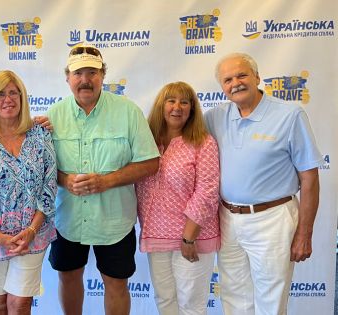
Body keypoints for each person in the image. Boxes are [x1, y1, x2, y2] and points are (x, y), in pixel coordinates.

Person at [205, 52, 323, 315]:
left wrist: (305, 233)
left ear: (257, 77)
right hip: (228, 219)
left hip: (272, 219)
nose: (235, 83)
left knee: (270, 300)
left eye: (242, 75)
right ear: (222, 87)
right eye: (227, 79)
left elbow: (309, 177)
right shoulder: (214, 117)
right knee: (234, 298)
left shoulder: (290, 115)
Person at [47, 44, 160, 315]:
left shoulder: (128, 112)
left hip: (114, 221)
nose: (85, 80)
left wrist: (107, 182)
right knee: (69, 276)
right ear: (67, 78)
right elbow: (42, 167)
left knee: (115, 282)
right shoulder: (53, 116)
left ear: (103, 75)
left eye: (92, 72)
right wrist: (64, 179)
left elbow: (151, 162)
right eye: (78, 73)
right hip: (68, 219)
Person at [0, 70, 57, 315]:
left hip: (32, 233)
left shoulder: (40, 133)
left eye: (13, 93)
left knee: (19, 304)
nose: (7, 99)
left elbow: (49, 186)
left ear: (22, 97)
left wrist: (31, 230)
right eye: (0, 95)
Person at [135, 82, 220, 315]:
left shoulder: (203, 142)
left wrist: (189, 238)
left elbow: (207, 192)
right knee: (165, 301)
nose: (177, 107)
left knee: (191, 306)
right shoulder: (146, 141)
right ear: (161, 106)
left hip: (192, 237)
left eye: (185, 102)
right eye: (171, 101)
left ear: (192, 109)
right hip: (156, 235)